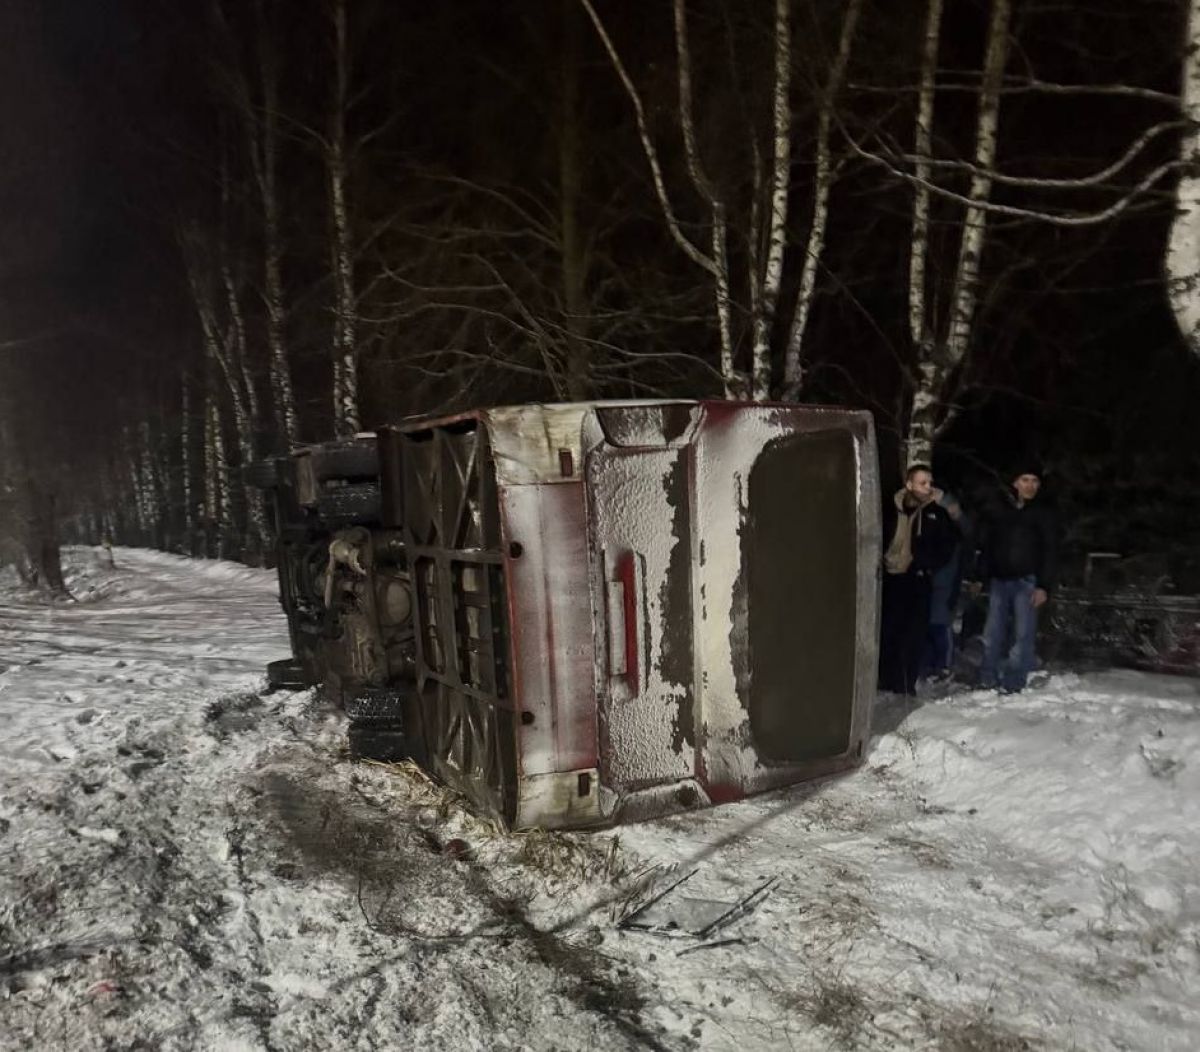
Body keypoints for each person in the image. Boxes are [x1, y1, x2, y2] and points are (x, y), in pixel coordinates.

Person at [976, 461, 1059, 693]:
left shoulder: (1044, 512)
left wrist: (1044, 585)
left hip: (1027, 582)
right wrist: (980, 575)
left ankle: (1013, 681)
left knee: (1023, 635)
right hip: (999, 580)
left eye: (1034, 481)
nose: (1030, 486)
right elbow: (988, 544)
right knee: (992, 633)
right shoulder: (1001, 510)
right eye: (1025, 480)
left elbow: (1050, 550)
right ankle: (987, 678)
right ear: (1015, 482)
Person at [878, 464, 958, 695]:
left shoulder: (936, 513)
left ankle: (905, 683)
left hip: (918, 577)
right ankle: (884, 679)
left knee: (913, 633)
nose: (927, 488)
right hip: (890, 576)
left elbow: (948, 545)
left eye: (929, 483)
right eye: (922, 483)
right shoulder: (890, 508)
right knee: (889, 629)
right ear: (909, 484)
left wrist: (926, 563)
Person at [923, 488, 968, 681]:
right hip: (925, 571)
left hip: (944, 573)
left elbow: (966, 529)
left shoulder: (949, 515)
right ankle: (927, 665)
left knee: (939, 621)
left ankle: (942, 666)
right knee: (924, 621)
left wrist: (946, 502)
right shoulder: (921, 511)